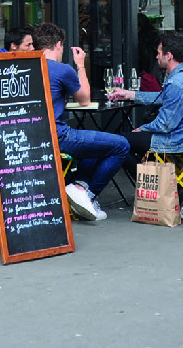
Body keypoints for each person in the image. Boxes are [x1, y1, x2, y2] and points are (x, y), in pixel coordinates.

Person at [29, 22, 129, 222]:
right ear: (58, 44)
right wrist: (81, 65)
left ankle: (79, 186)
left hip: (29, 137)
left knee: (94, 145)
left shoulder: (24, 67)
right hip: (57, 136)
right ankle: (88, 197)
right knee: (121, 145)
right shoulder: (62, 69)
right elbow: (84, 100)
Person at [111, 29, 183, 169]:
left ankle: (155, 187)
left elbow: (164, 125)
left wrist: (142, 129)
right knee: (126, 142)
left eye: (159, 53)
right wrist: (132, 95)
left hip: (180, 140)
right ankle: (161, 182)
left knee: (117, 144)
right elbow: (166, 97)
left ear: (169, 56)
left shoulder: (176, 83)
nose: (156, 57)